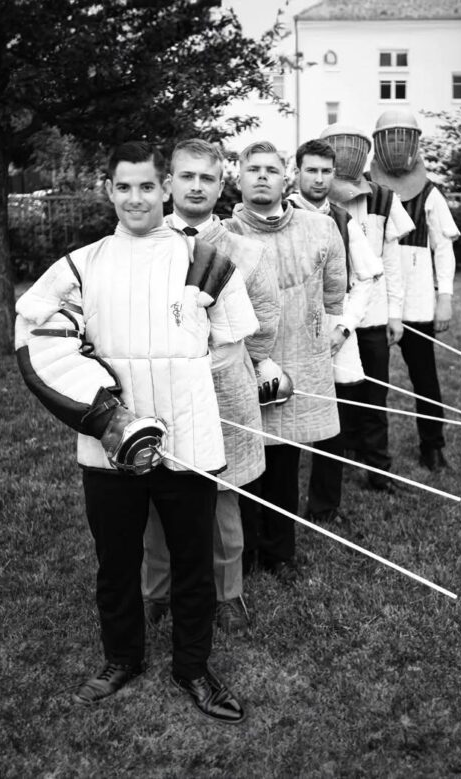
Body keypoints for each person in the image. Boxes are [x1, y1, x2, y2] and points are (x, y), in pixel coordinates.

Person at [14, 141, 255, 723]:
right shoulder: (81, 264)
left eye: (147, 186)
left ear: (165, 189)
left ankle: (193, 668)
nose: (135, 198)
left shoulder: (207, 261)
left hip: (189, 439)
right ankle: (122, 657)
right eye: (124, 187)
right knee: (116, 559)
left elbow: (230, 343)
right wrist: (102, 409)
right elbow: (35, 331)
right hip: (109, 445)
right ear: (108, 191)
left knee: (192, 561)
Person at [141, 139, 281, 635]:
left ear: (221, 184)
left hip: (224, 389)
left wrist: (221, 356)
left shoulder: (245, 250)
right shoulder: (141, 244)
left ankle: (227, 594)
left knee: (223, 494)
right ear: (168, 183)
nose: (196, 186)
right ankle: (155, 591)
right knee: (158, 489)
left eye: (207, 177)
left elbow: (265, 321)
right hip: (157, 389)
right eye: (186, 176)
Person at [224, 140, 349, 584]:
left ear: (286, 178)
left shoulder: (320, 229)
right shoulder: (221, 237)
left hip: (300, 363)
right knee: (244, 462)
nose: (261, 176)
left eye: (270, 169)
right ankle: (247, 550)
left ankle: (281, 552)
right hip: (241, 369)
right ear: (237, 177)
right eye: (252, 168)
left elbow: (335, 294)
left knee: (284, 465)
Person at [287, 138, 383, 523]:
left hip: (333, 333)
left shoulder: (342, 219)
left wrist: (344, 328)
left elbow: (368, 278)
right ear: (297, 173)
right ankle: (280, 506)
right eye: (312, 170)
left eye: (327, 171)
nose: (319, 178)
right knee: (287, 418)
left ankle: (325, 505)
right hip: (289, 334)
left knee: (333, 423)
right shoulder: (281, 214)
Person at [320, 123, 414, 492]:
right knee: (337, 396)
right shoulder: (315, 200)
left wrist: (395, 313)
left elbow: (391, 262)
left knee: (375, 396)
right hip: (333, 320)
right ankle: (336, 466)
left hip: (372, 318)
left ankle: (378, 468)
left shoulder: (383, 199)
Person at [369, 108, 460, 471]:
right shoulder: (367, 190)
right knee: (370, 382)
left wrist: (445, 298)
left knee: (425, 379)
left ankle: (432, 446)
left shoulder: (431, 195)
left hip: (419, 304)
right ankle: (367, 447)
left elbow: (445, 249)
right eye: (390, 137)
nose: (397, 145)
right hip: (375, 303)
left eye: (403, 137)